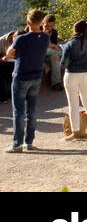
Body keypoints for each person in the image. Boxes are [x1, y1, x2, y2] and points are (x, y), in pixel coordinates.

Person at [5, 9, 51, 153]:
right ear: (41, 22)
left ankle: (17, 144)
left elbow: (8, 53)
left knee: (18, 111)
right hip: (36, 77)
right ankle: (29, 142)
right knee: (32, 110)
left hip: (21, 77)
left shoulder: (21, 39)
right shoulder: (45, 38)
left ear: (27, 23)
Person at [60, 20, 87, 139]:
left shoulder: (70, 44)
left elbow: (64, 63)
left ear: (75, 30)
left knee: (73, 104)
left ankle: (76, 132)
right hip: (86, 73)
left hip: (71, 74)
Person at [42, 14, 63, 91]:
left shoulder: (53, 32)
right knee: (54, 52)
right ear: (42, 23)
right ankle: (63, 54)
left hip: (50, 54)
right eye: (47, 25)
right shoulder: (37, 29)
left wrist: (53, 46)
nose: (49, 28)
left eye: (51, 26)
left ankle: (56, 83)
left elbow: (54, 45)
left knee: (55, 57)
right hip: (39, 52)